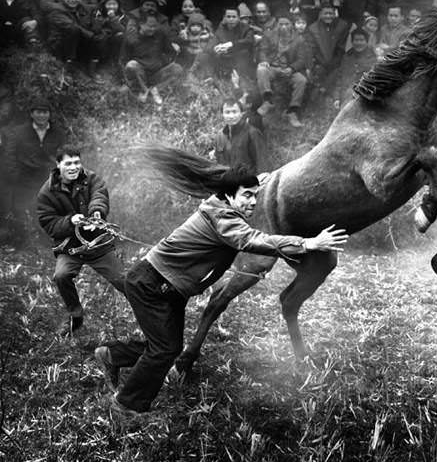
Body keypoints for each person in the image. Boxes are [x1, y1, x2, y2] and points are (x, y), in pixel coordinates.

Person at [93, 157, 348, 415]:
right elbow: (253, 240)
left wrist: (256, 182)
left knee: (168, 347)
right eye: (246, 196)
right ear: (229, 195)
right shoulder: (223, 218)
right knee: (165, 349)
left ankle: (112, 355)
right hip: (153, 283)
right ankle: (127, 405)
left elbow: (245, 198)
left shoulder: (224, 206)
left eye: (255, 196)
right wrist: (308, 244)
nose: (252, 202)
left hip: (170, 287)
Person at [36, 146, 126, 334]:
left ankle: (148, 311)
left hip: (98, 244)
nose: (73, 167)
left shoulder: (92, 178)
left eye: (77, 162)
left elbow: (99, 196)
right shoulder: (46, 192)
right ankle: (75, 316)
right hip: (70, 248)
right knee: (61, 276)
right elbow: (49, 223)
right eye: (68, 163)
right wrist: (70, 221)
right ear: (58, 165)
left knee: (123, 280)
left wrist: (96, 215)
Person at [6, 97, 67, 227]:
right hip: (24, 178)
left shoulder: (58, 133)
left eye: (45, 112)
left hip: (47, 178)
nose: (41, 115)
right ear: (31, 113)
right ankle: (25, 241)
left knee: (48, 210)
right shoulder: (19, 132)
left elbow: (63, 155)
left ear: (49, 114)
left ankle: (46, 241)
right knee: (21, 210)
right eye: (38, 112)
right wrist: (15, 175)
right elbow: (10, 155)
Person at [214, 99, 269, 173]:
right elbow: (219, 165)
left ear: (242, 113)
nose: (231, 116)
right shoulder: (219, 136)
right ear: (222, 115)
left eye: (234, 112)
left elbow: (262, 164)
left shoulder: (252, 133)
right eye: (227, 112)